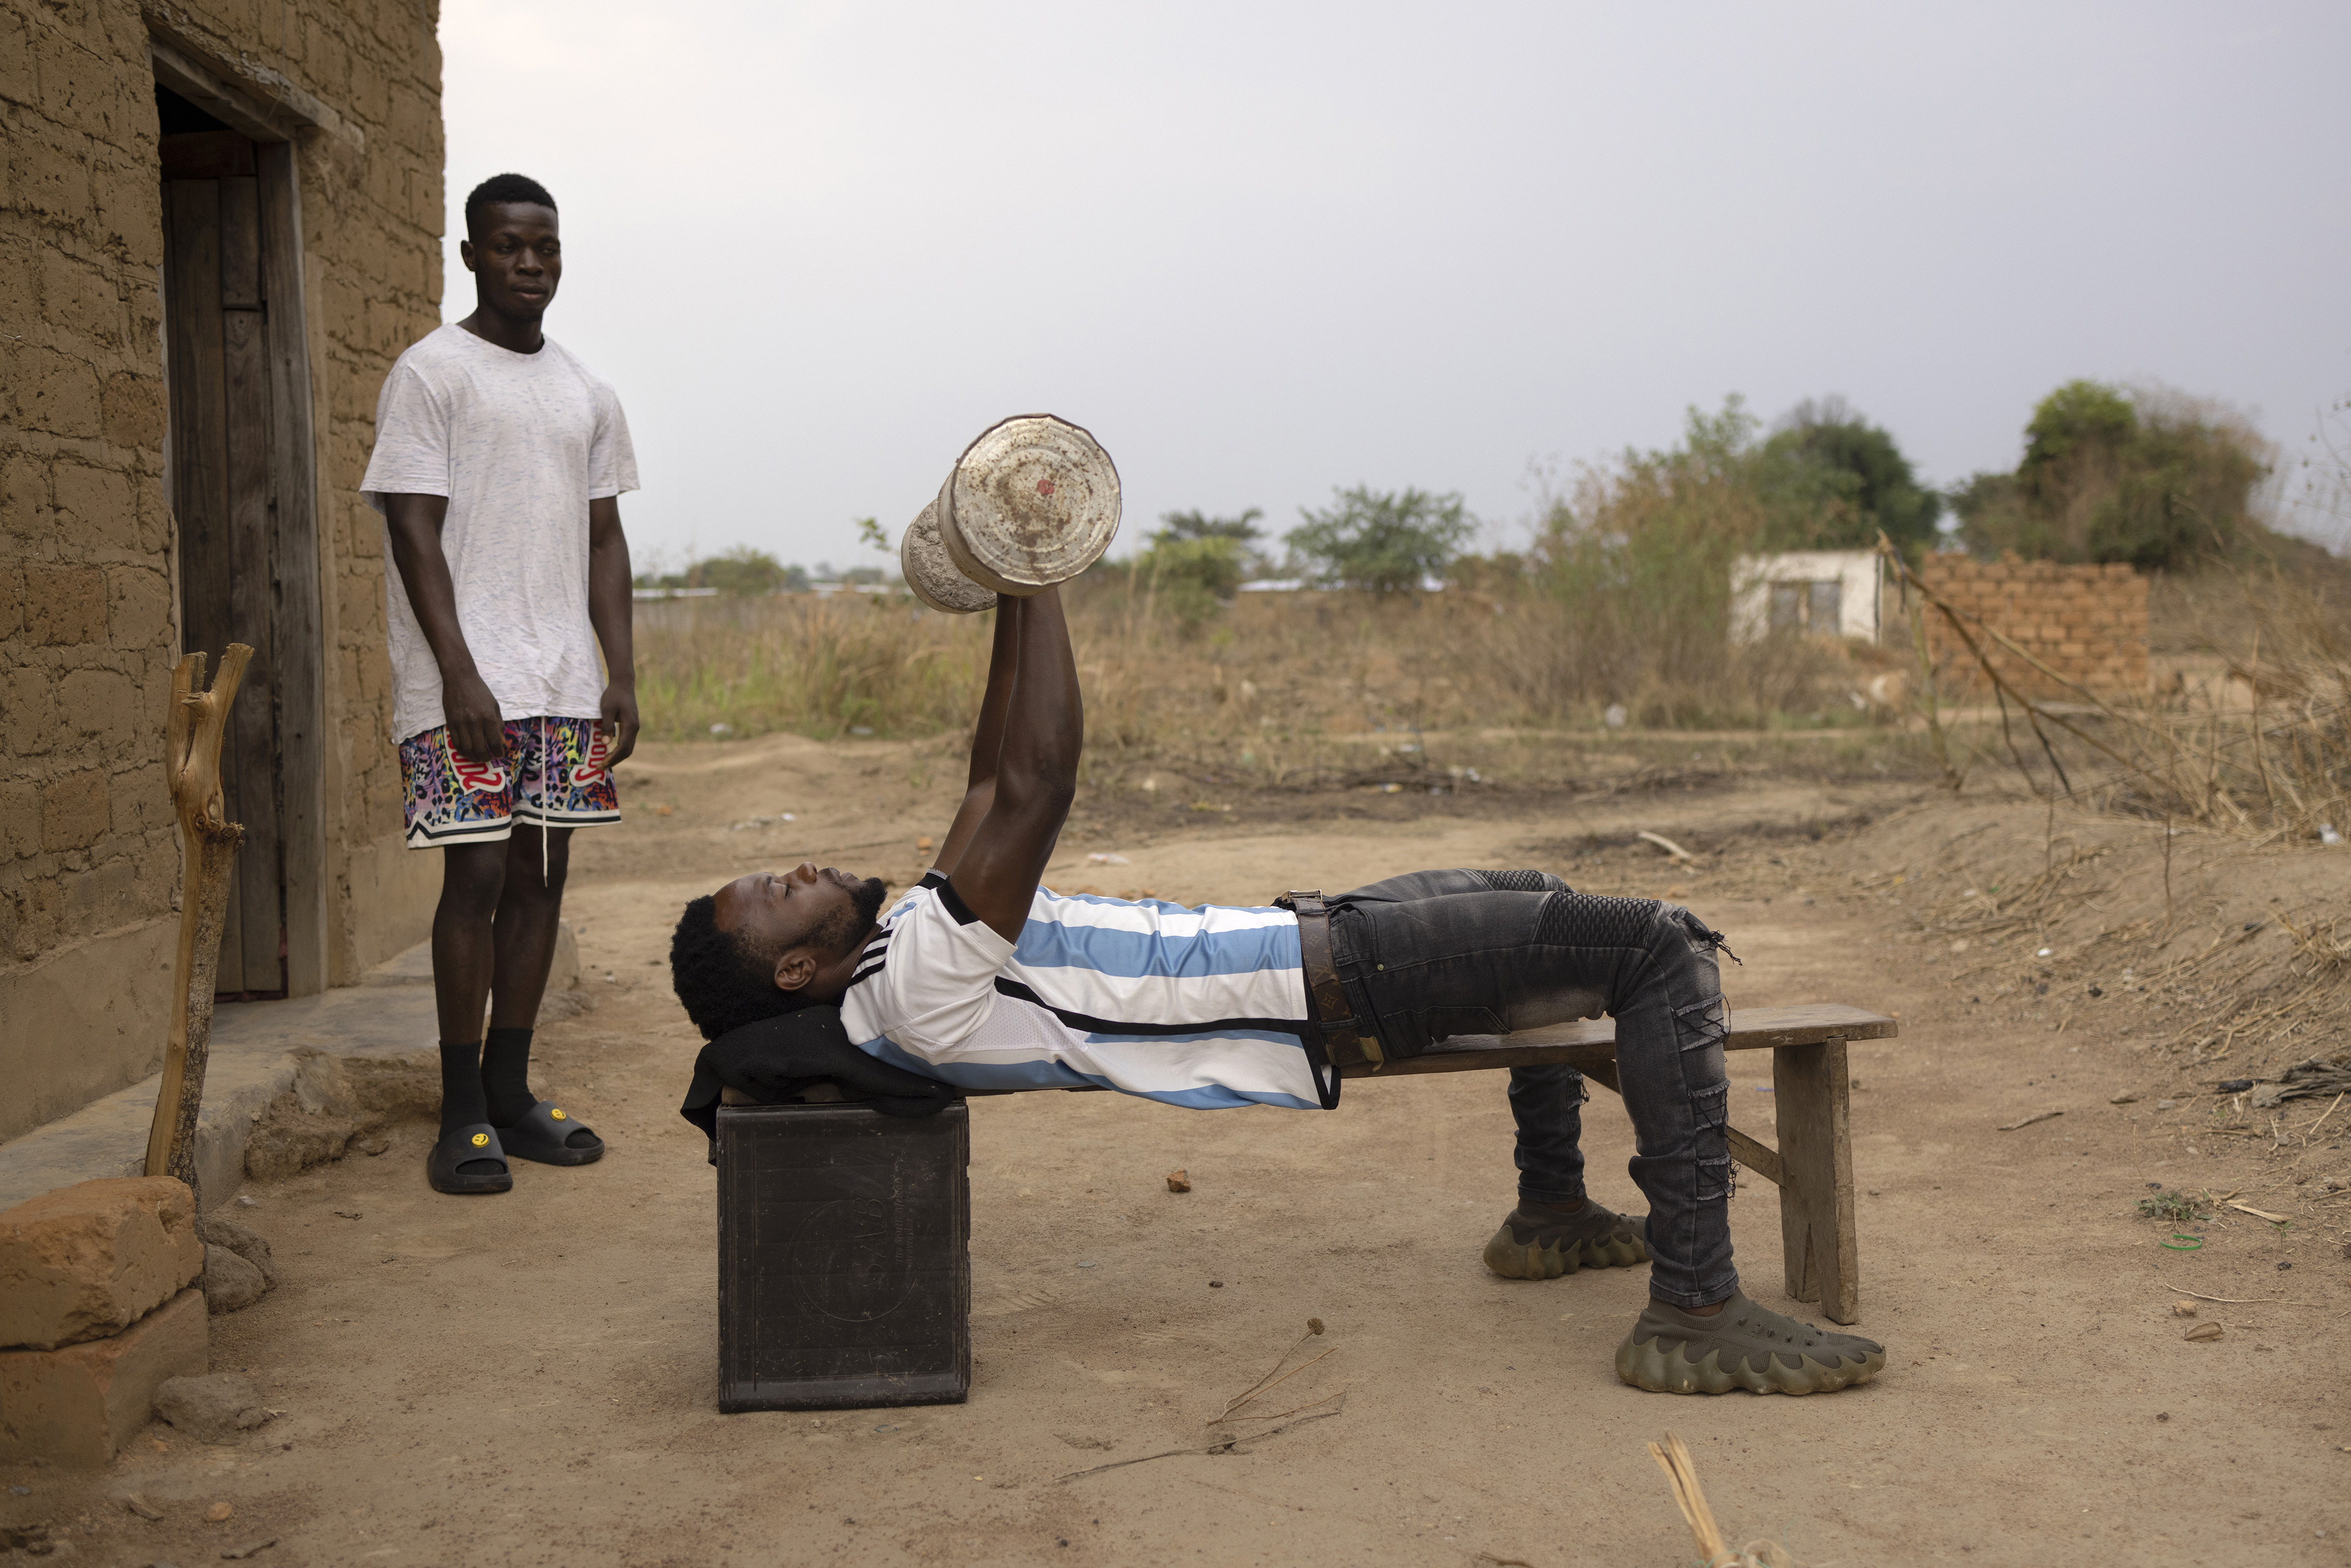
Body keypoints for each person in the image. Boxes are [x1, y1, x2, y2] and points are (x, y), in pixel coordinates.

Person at [668, 590, 1886, 1395]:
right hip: (1340, 985)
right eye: (776, 889)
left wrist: (1004, 579)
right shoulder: (910, 986)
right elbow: (1037, 782)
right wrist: (1040, 571)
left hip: (1325, 937)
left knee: (1542, 894)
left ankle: (1550, 1210)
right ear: (791, 966)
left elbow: (989, 775)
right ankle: (1694, 1303)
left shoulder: (891, 955)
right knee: (1654, 945)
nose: (802, 866)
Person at [361, 173, 637, 1196]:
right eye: (510, 246)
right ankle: (462, 1111)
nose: (531, 263)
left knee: (540, 878)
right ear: (471, 254)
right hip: (462, 683)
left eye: (546, 247)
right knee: (473, 880)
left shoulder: (586, 392)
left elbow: (605, 537)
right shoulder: (431, 374)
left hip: (561, 677)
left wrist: (621, 670)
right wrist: (460, 669)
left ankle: (513, 1094)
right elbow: (411, 527)